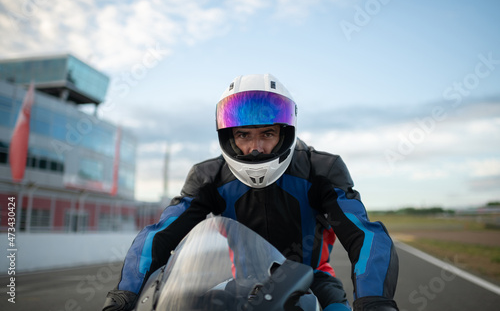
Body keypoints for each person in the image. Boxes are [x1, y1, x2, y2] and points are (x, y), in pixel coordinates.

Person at [102, 74, 399, 311]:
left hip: (313, 279)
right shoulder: (208, 176)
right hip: (241, 285)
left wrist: (375, 302)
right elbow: (160, 233)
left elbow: (365, 234)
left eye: (267, 134)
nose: (255, 148)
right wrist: (123, 296)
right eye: (244, 135)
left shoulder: (321, 169)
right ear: (229, 137)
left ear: (285, 132)